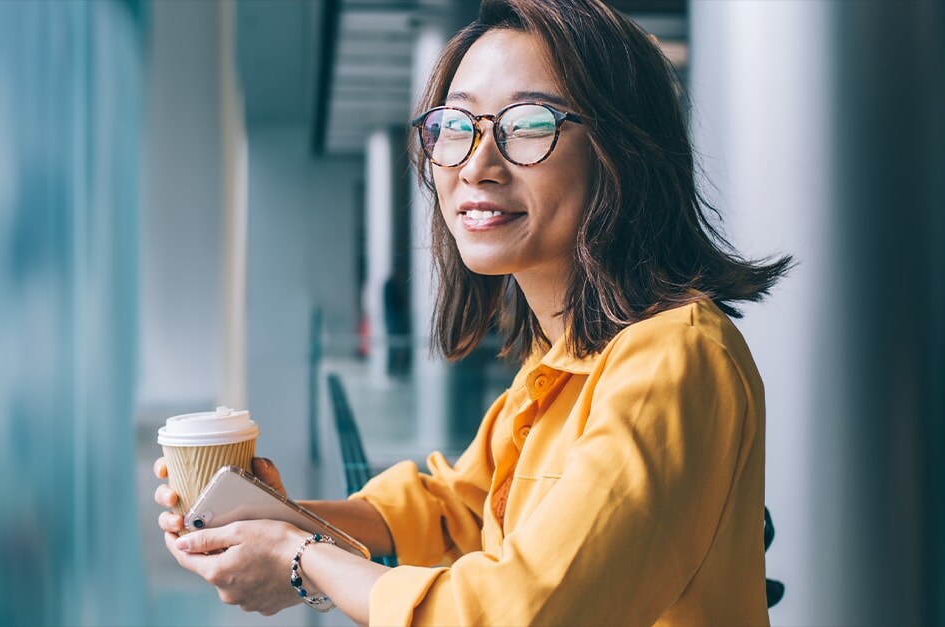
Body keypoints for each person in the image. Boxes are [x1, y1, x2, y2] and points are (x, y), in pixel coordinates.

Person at [153, 0, 792, 624]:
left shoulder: (673, 358)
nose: (477, 165)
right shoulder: (564, 356)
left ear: (621, 149)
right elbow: (456, 507)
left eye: (530, 124)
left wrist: (299, 559)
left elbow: (517, 613)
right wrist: (279, 516)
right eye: (456, 127)